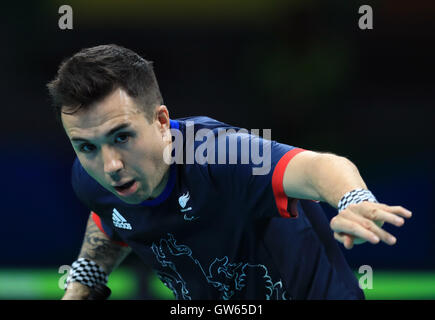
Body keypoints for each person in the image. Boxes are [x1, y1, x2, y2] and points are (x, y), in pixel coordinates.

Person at [47, 44, 412, 300]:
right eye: (87, 146)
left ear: (161, 121)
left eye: (122, 137)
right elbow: (108, 213)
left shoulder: (219, 153)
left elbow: (319, 166)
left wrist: (354, 199)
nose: (110, 166)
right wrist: (82, 283)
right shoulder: (90, 175)